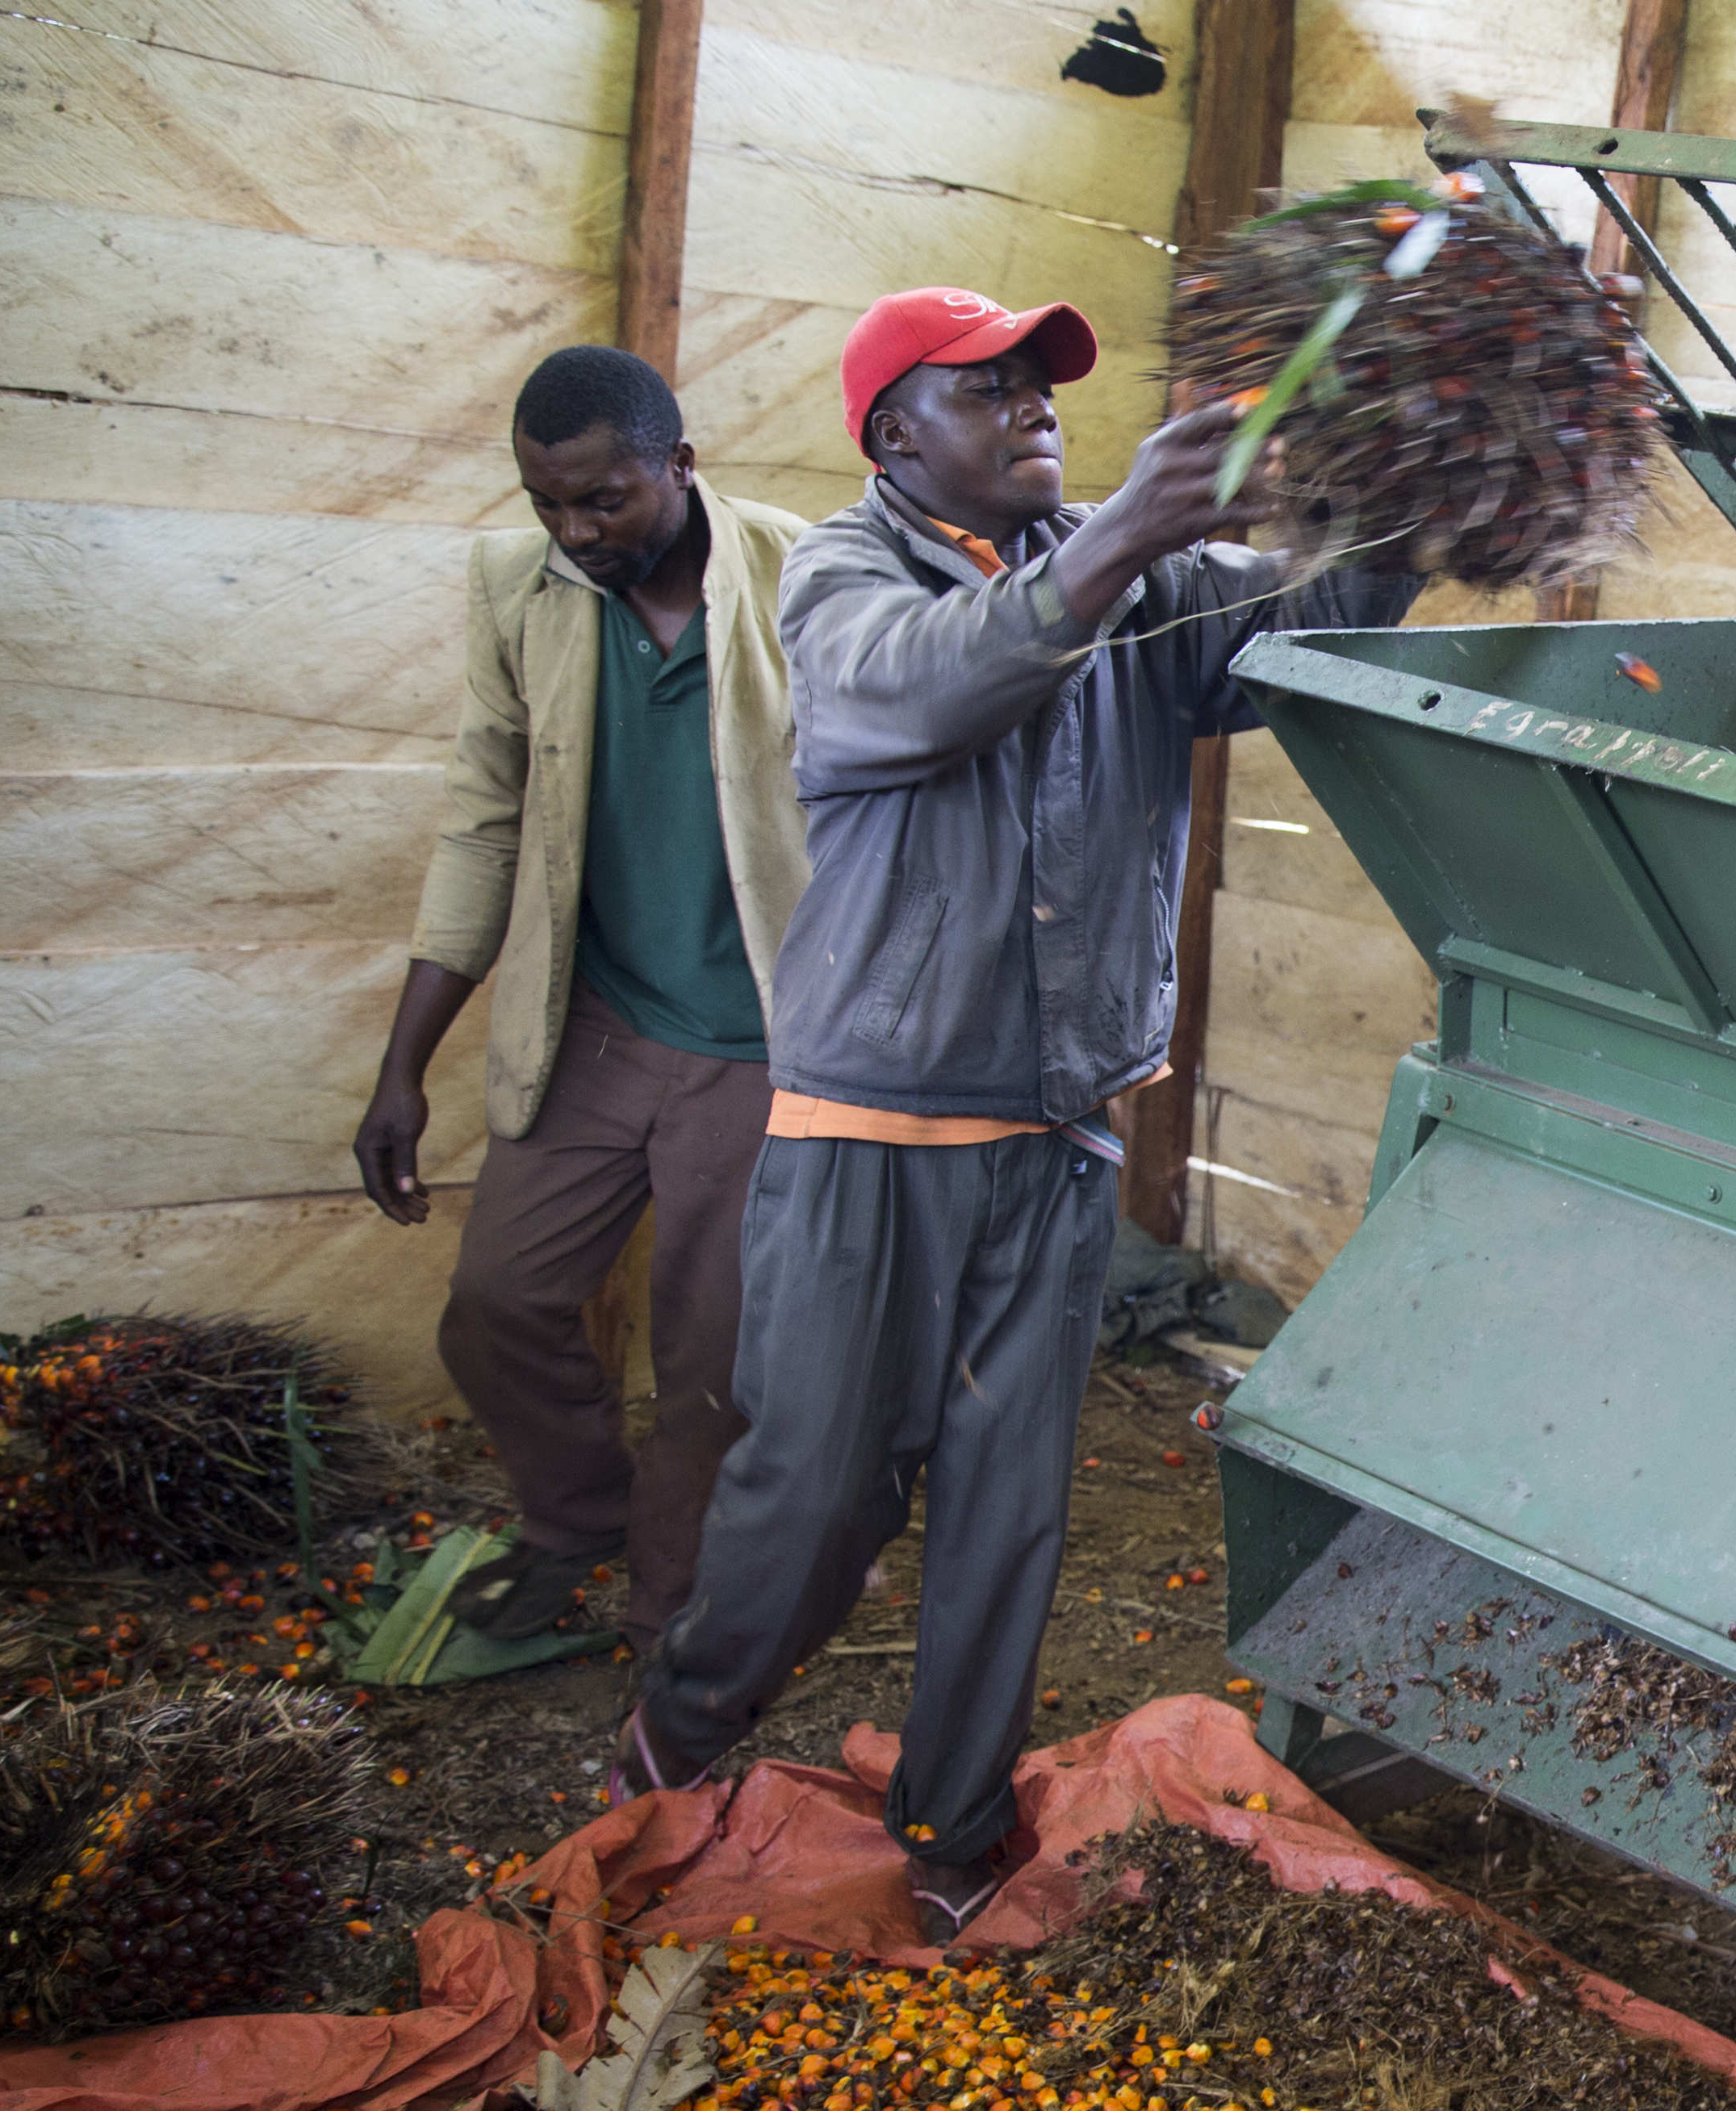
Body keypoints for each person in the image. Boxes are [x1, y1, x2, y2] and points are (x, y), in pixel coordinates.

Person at [605, 286, 1416, 1936]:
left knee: (1006, 1510)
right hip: (870, 1139)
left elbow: (1315, 633)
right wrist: (1118, 532)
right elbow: (921, 696)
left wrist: (1400, 489)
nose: (1037, 407)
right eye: (989, 391)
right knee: (817, 1494)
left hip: (1054, 1140)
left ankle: (958, 1824)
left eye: (1046, 386)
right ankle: (673, 1744)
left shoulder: (1140, 580)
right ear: (895, 437)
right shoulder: (843, 576)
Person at [353, 347, 810, 1658]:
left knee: (711, 1370)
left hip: (765, 1046)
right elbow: (482, 823)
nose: (574, 531)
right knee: (497, 1304)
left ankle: (677, 1633)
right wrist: (404, 1067)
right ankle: (576, 1520)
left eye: (605, 500)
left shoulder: (799, 574)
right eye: (547, 502)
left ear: (680, 462)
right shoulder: (521, 591)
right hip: (601, 1030)